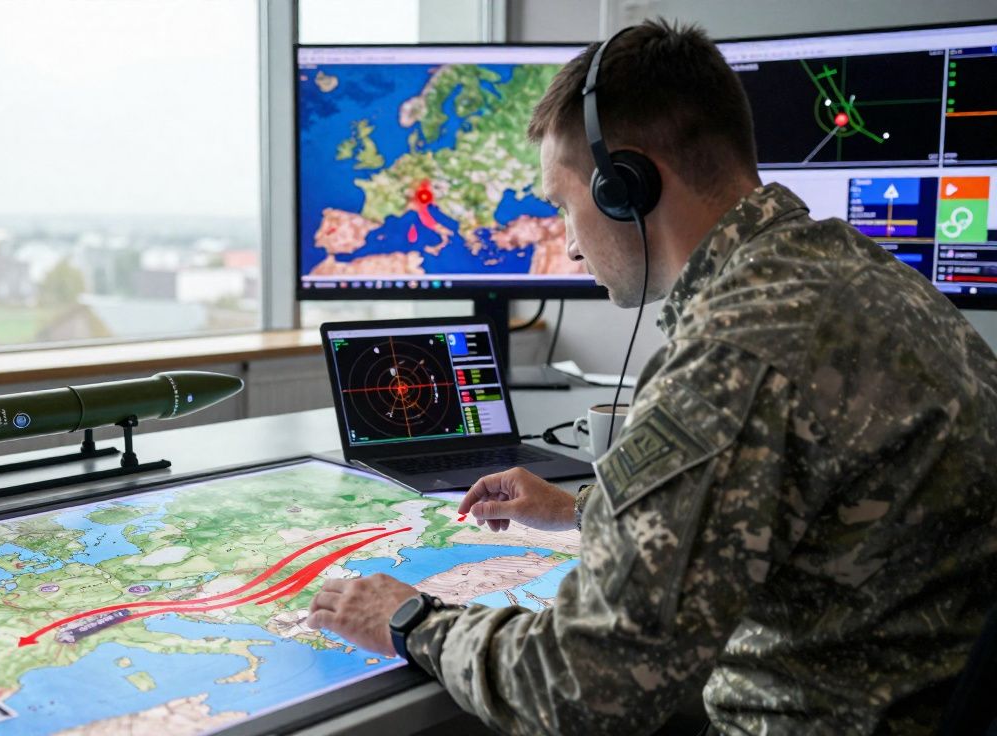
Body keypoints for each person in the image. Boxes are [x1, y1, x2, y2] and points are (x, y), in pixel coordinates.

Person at [306, 18, 997, 735]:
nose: (568, 245)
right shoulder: (855, 272)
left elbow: (586, 686)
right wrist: (585, 510)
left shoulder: (737, 349)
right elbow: (799, 506)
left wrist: (411, 620)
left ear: (626, 186)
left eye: (563, 205)